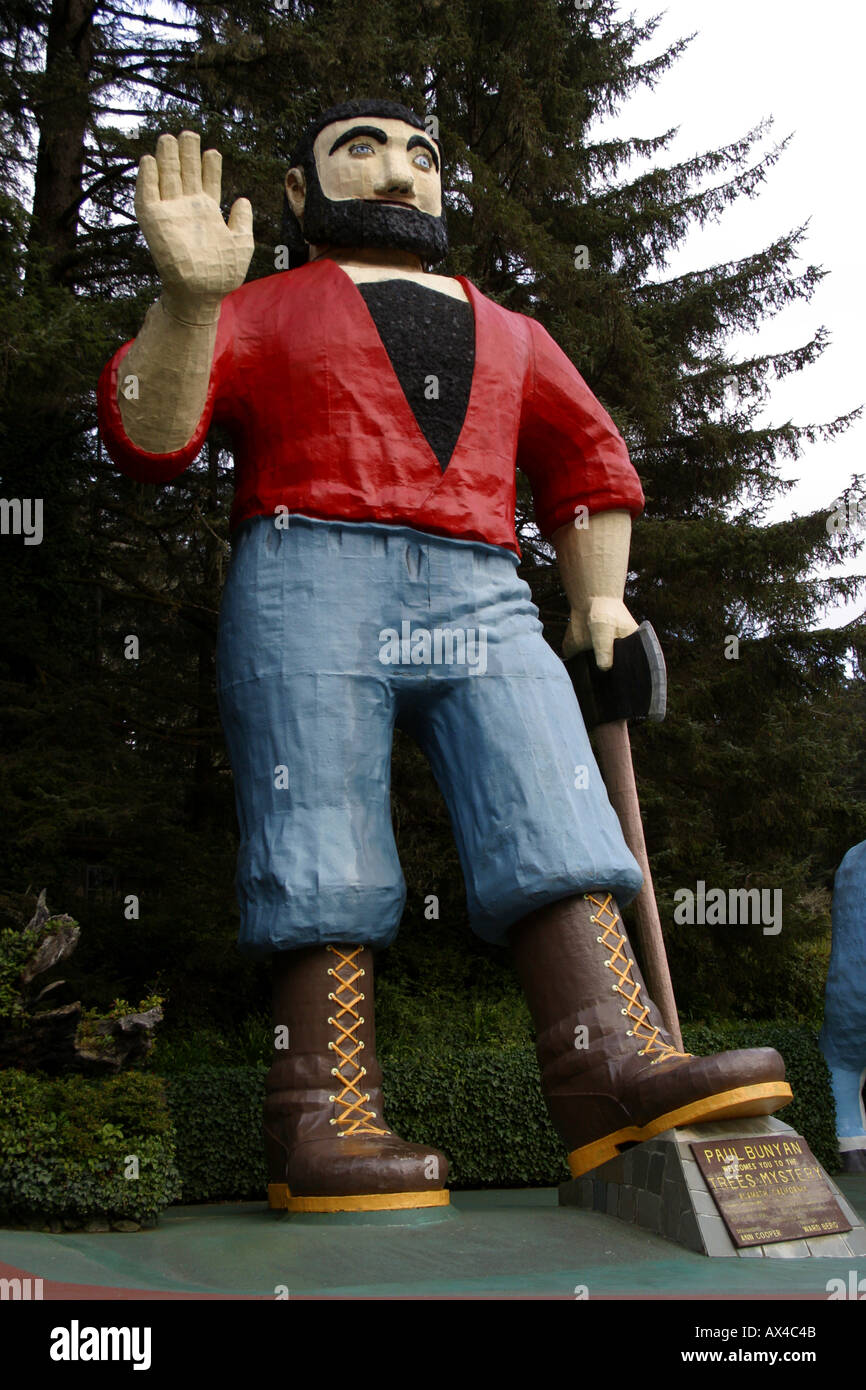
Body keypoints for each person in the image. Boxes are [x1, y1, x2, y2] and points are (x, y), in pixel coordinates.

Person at [98, 99, 792, 1213]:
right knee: (319, 824)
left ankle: (609, 1068)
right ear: (297, 191)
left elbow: (586, 460)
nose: (395, 171)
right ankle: (318, 1109)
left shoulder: (511, 330)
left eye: (418, 154)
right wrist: (188, 303)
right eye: (358, 149)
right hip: (305, 566)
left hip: (480, 583)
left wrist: (598, 601)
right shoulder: (261, 307)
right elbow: (150, 433)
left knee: (548, 798)